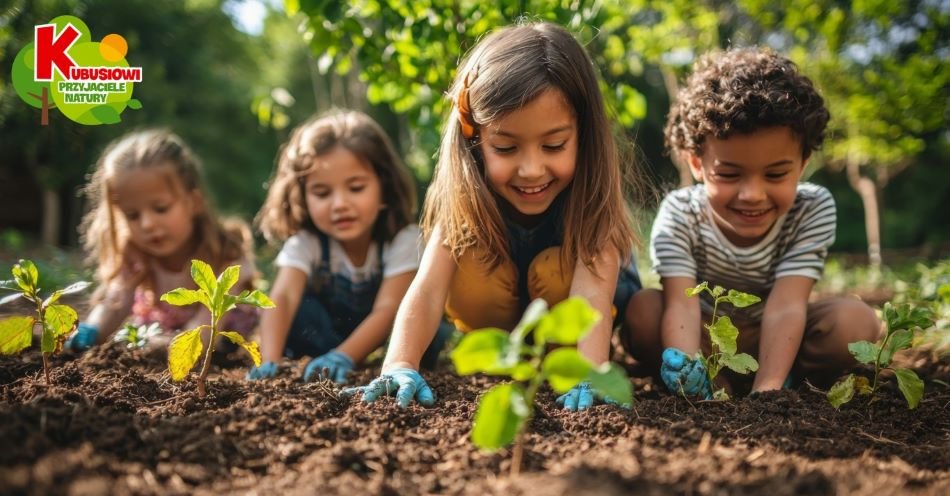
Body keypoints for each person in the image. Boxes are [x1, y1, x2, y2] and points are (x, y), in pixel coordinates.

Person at [342, 21, 644, 411]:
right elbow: (429, 289)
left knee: (558, 270)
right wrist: (399, 363)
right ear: (475, 140)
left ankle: (561, 363)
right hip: (500, 327)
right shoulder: (463, 198)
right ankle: (508, 360)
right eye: (505, 147)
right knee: (467, 261)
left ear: (583, 135)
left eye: (554, 145)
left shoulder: (593, 200)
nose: (532, 169)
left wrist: (589, 370)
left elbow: (591, 296)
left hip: (577, 328)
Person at [625, 47, 881, 398]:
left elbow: (788, 303)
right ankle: (710, 385)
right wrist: (688, 363)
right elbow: (681, 304)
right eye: (729, 174)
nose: (753, 195)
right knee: (643, 311)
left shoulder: (811, 208)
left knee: (855, 322)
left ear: (803, 162)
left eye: (776, 174)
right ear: (697, 163)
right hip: (703, 335)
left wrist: (769, 389)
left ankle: (785, 376)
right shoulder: (681, 213)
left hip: (777, 333)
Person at [247, 110, 448, 383]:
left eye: (355, 188)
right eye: (322, 193)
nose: (339, 204)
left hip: (389, 343)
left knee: (425, 327)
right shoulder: (307, 244)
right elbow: (282, 299)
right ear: (302, 197)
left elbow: (387, 309)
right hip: (326, 342)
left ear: (384, 188)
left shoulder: (403, 240)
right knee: (303, 313)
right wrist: (269, 360)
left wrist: (345, 356)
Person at [68, 130, 258, 350]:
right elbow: (114, 305)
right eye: (132, 215)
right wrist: (91, 330)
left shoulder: (225, 255)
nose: (147, 224)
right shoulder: (136, 256)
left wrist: (157, 347)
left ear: (194, 202)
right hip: (157, 343)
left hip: (217, 350)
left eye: (161, 209)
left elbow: (204, 333)